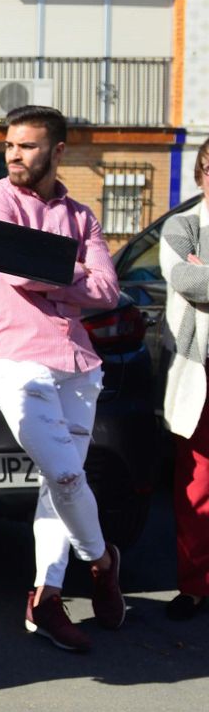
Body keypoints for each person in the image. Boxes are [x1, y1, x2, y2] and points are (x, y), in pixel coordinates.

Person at [0, 104, 125, 653]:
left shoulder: (82, 216)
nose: (13, 153)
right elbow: (14, 266)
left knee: (55, 486)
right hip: (14, 355)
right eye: (9, 144)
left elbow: (108, 291)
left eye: (27, 145)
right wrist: (74, 273)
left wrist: (59, 273)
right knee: (63, 476)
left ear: (57, 151)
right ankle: (103, 563)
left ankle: (47, 595)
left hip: (78, 364)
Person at [160, 135, 209, 621]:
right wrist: (200, 276)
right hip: (201, 375)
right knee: (196, 489)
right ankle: (195, 586)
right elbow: (187, 280)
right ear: (200, 173)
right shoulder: (184, 226)